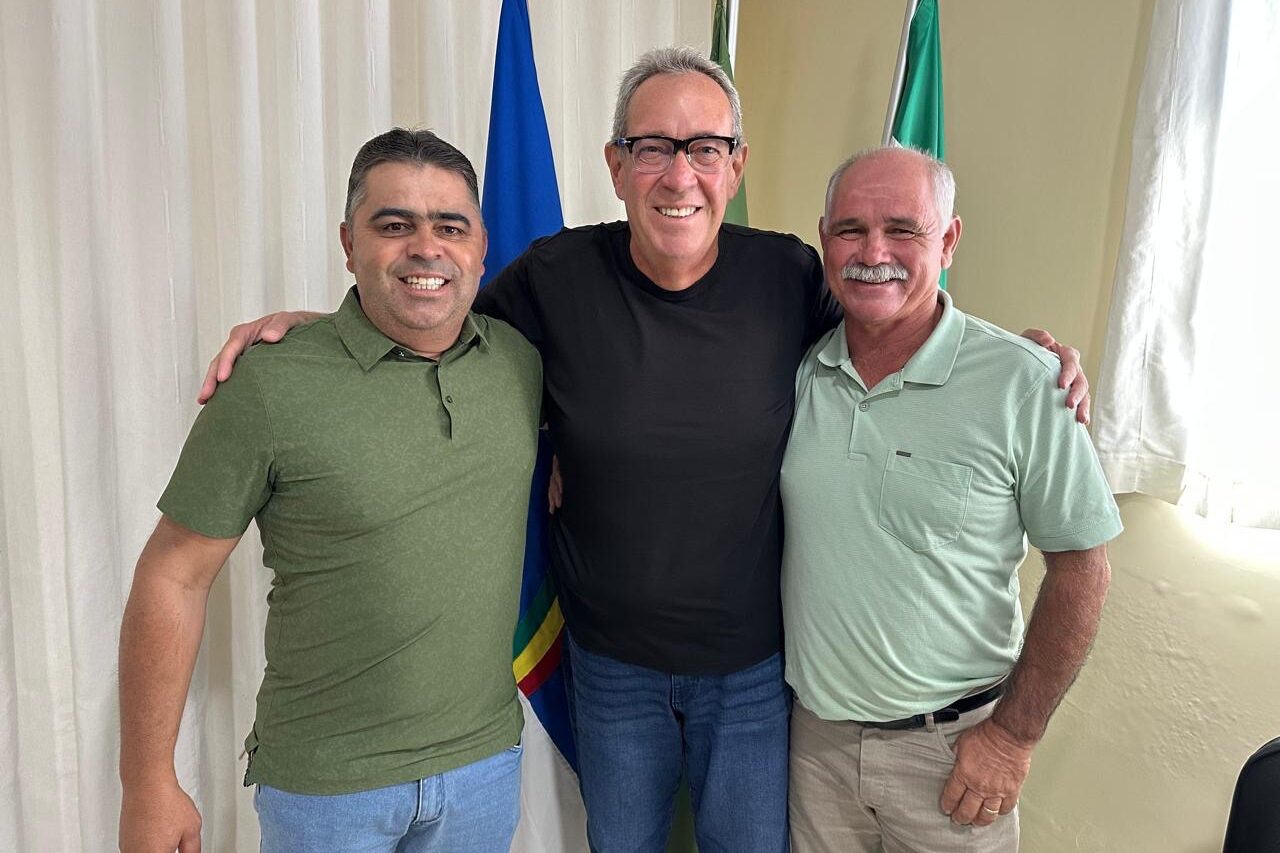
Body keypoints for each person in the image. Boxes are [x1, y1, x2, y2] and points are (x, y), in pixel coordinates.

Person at [197, 49, 1090, 853]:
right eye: (653, 147)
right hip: (610, 666)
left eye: (705, 147)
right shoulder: (555, 276)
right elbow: (434, 323)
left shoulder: (788, 275)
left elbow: (892, 321)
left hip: (756, 672)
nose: (680, 172)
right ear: (616, 166)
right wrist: (323, 328)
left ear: (736, 165)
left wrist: (1021, 359)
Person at [117, 129, 542, 853]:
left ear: (480, 246)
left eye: (450, 227)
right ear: (349, 244)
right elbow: (173, 575)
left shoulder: (519, 364)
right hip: (327, 792)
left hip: (485, 768)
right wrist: (147, 782)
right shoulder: (270, 383)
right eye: (394, 225)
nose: (426, 248)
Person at [781, 146, 1122, 853]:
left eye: (903, 229)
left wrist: (1014, 737)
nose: (873, 252)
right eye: (850, 229)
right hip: (813, 749)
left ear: (949, 240)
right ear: (824, 239)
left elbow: (1083, 568)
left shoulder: (1026, 383)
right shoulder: (798, 367)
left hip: (955, 757)